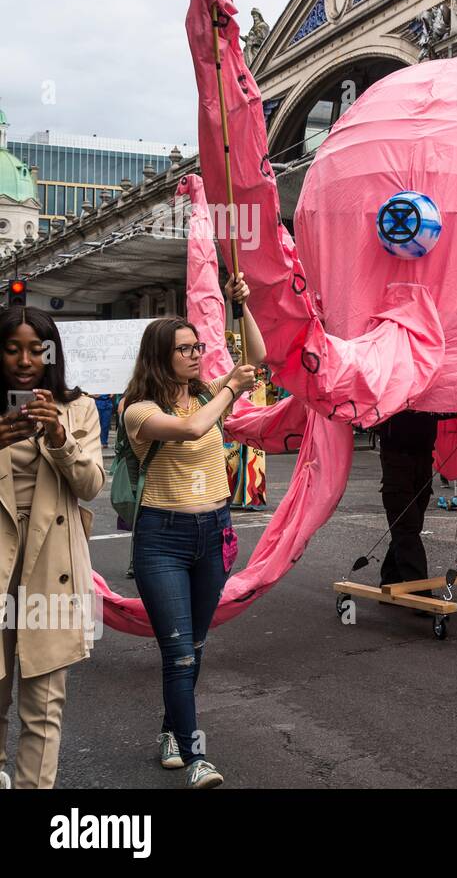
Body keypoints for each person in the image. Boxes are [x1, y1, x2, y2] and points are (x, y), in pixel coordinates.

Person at [121, 273, 263, 788]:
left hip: (215, 532)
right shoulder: (138, 410)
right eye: (184, 349)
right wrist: (230, 387)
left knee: (195, 647)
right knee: (178, 651)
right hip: (163, 539)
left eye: (198, 346)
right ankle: (197, 756)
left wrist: (240, 305)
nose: (196, 354)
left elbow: (258, 355)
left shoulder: (206, 393)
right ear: (160, 356)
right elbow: (191, 429)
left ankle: (170, 732)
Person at [0, 307, 105, 789]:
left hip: (50, 566)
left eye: (36, 348)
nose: (25, 359)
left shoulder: (78, 407)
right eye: (12, 347)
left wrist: (60, 438)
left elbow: (90, 487)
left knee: (43, 708)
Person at [375, 411, 440, 584]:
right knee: (407, 525)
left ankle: (390, 579)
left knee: (411, 525)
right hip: (397, 457)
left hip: (424, 456)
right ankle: (419, 590)